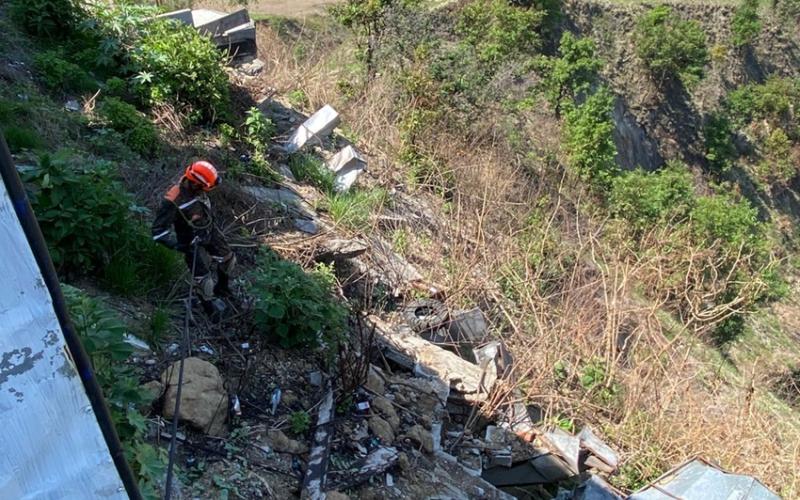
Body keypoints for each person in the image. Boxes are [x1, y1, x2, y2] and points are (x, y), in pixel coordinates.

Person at [151, 161, 235, 316]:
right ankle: (210, 311)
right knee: (205, 282)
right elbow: (158, 232)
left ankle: (223, 289)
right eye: (204, 188)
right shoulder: (173, 200)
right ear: (196, 184)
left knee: (228, 260)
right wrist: (178, 245)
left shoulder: (197, 190)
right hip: (191, 242)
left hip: (209, 231)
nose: (206, 191)